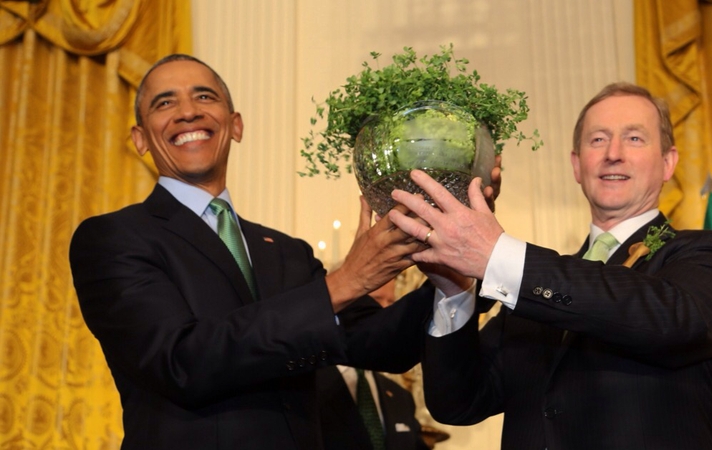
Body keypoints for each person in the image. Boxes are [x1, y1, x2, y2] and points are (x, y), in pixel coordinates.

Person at [68, 54, 436, 450]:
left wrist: (459, 270)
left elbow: (384, 346)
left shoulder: (287, 253)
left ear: (235, 125)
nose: (188, 112)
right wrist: (343, 283)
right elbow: (179, 362)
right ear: (140, 139)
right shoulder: (113, 237)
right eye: (165, 102)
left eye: (204, 96)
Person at [388, 82, 712, 450]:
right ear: (577, 165)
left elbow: (675, 320)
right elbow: (459, 402)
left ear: (668, 162)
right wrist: (454, 292)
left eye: (634, 138)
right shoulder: (527, 286)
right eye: (598, 140)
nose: (613, 154)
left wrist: (497, 255)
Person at [317, 277, 429, 450]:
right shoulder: (306, 384)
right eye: (375, 300)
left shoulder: (400, 397)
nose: (385, 309)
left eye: (391, 302)